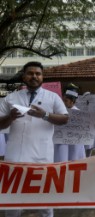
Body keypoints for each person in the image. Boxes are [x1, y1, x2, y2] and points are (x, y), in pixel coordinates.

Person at [0, 61, 69, 217]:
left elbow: (65, 119)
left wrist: (45, 115)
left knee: (44, 199)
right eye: (30, 73)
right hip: (15, 156)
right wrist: (10, 118)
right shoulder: (11, 98)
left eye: (38, 74)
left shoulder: (53, 97)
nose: (34, 77)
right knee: (12, 199)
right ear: (24, 76)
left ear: (42, 77)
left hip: (42, 156)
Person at [54, 83, 86, 162]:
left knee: (74, 160)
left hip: (75, 144)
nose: (63, 102)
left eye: (66, 101)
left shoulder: (79, 114)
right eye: (63, 100)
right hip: (61, 143)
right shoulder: (58, 112)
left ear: (72, 101)